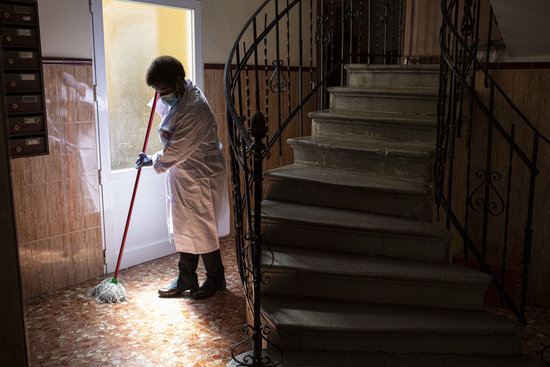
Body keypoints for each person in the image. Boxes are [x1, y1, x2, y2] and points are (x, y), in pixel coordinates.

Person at [135, 56, 230, 300]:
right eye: (157, 91)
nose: (161, 95)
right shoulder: (182, 93)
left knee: (201, 229)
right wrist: (156, 158)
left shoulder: (194, 109)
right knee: (189, 228)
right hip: (185, 172)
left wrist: (154, 160)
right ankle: (188, 277)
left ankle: (214, 278)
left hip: (200, 174)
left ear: (178, 82)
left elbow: (177, 148)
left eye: (164, 90)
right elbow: (168, 116)